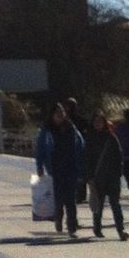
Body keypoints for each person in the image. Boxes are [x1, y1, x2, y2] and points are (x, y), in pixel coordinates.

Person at [36, 101, 86, 236]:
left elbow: (81, 145)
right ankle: (58, 218)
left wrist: (82, 166)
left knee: (70, 199)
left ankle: (72, 226)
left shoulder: (71, 128)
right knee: (58, 199)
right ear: (52, 115)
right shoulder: (47, 130)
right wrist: (39, 166)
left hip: (70, 167)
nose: (60, 115)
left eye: (62, 112)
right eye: (57, 113)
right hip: (55, 168)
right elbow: (40, 149)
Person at [86, 112, 129, 239]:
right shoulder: (90, 139)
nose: (98, 124)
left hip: (112, 177)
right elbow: (87, 158)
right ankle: (97, 228)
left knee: (115, 204)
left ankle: (120, 230)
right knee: (98, 204)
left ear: (105, 123)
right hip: (97, 177)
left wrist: (119, 172)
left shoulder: (111, 137)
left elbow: (119, 155)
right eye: (96, 122)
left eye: (100, 121)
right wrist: (89, 176)